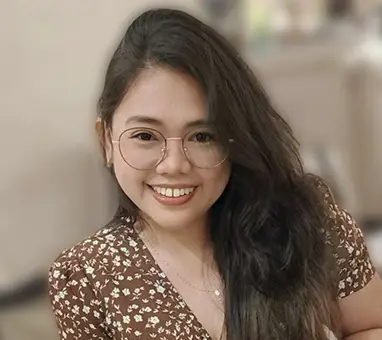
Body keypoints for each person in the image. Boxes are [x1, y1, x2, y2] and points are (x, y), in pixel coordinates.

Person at [48, 8, 382, 340]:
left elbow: (371, 325)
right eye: (146, 136)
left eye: (203, 136)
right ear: (106, 140)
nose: (174, 164)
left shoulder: (308, 218)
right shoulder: (83, 276)